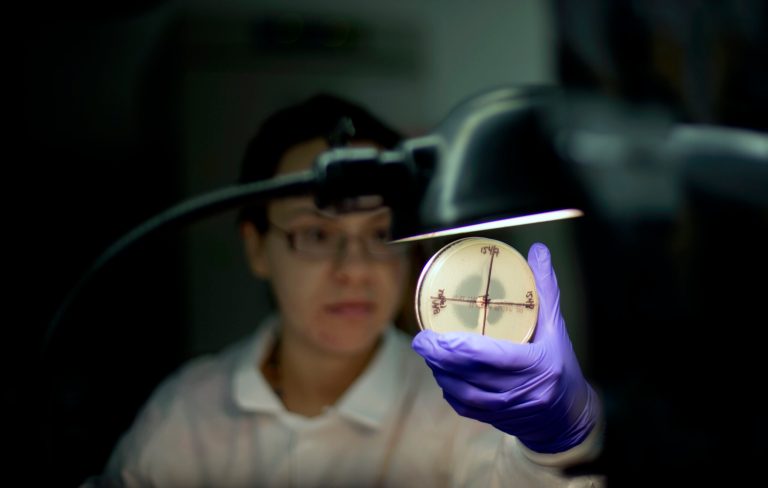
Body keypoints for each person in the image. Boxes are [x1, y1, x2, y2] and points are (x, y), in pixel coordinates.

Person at [84, 93, 604, 487]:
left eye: (381, 234)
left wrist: (554, 441)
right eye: (316, 234)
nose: (355, 269)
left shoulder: (458, 410)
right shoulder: (188, 414)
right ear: (257, 247)